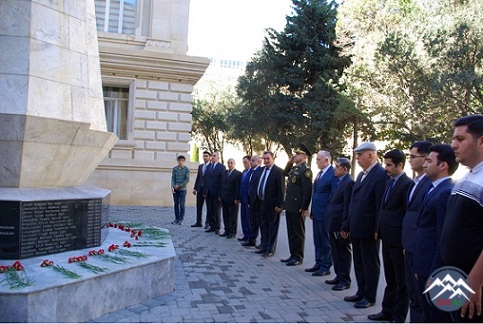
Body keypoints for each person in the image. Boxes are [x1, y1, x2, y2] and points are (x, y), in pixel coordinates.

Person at [441, 114, 483, 322]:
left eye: (460, 139)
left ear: (481, 141)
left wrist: (475, 283)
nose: (453, 145)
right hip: (456, 283)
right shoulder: (467, 176)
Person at [413, 144, 457, 322]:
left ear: (443, 165)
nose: (424, 165)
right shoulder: (433, 188)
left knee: (437, 316)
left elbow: (442, 237)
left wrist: (434, 273)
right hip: (423, 263)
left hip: (434, 268)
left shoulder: (445, 192)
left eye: (429, 161)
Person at [368, 149, 413, 322]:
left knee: (401, 282)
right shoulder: (389, 182)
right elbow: (383, 208)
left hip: (398, 240)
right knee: (390, 279)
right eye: (385, 164)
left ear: (400, 165)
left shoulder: (406, 184)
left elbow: (407, 214)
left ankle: (398, 316)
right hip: (386, 237)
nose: (385, 168)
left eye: (389, 165)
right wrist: (378, 229)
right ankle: (387, 310)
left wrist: (405, 241)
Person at [344, 142, 388, 309]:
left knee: (370, 264)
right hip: (357, 227)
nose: (358, 159)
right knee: (359, 262)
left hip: (369, 229)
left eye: (360, 155)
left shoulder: (380, 175)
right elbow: (354, 203)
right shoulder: (362, 175)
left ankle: (369, 296)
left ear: (370, 155)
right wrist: (348, 224)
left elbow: (379, 206)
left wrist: (377, 229)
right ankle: (361, 291)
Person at [401, 141, 432, 323]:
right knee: (413, 293)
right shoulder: (416, 182)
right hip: (409, 245)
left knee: (421, 297)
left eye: (413, 157)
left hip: (420, 247)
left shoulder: (430, 184)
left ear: (426, 158)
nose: (410, 160)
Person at [305, 150, 336, 276]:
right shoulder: (319, 174)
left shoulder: (332, 173)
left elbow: (333, 195)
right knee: (317, 239)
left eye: (319, 159)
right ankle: (318, 262)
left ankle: (326, 265)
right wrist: (312, 211)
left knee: (325, 241)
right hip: (317, 212)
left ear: (327, 160)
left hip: (325, 213)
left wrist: (329, 213)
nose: (317, 162)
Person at [281, 144, 313, 266]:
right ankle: (292, 254)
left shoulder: (306, 170)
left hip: (298, 206)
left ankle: (298, 257)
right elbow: (284, 173)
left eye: (298, 154)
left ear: (304, 156)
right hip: (290, 205)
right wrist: (290, 163)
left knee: (298, 232)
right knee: (291, 231)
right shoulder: (295, 168)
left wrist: (304, 207)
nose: (295, 155)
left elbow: (307, 190)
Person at [326, 157, 354, 291]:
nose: (334, 169)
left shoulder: (348, 182)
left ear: (345, 169)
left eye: (337, 167)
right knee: (335, 251)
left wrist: (345, 226)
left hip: (340, 224)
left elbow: (347, 206)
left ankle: (344, 279)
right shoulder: (339, 181)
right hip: (333, 222)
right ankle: (338, 275)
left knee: (343, 252)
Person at [253, 151, 285, 257]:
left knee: (272, 227)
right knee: (264, 225)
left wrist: (279, 205)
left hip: (273, 205)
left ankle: (270, 249)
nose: (266, 161)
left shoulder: (278, 171)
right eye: (264, 159)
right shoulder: (261, 170)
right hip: (261, 203)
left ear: (273, 159)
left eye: (268, 158)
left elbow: (281, 190)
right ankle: (264, 245)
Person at [242, 155, 263, 247]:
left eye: (253, 161)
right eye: (251, 161)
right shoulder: (252, 171)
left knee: (258, 222)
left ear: (259, 162)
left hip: (257, 201)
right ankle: (251, 239)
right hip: (250, 200)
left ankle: (258, 241)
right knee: (252, 221)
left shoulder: (260, 171)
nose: (251, 162)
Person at [204, 152, 226, 235]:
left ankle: (217, 227)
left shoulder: (221, 167)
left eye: (214, 156)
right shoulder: (209, 166)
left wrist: (221, 194)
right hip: (209, 192)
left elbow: (222, 182)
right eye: (212, 156)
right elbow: (206, 179)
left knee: (216, 211)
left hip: (217, 193)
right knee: (209, 210)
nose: (212, 157)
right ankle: (211, 226)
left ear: (218, 158)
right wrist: (205, 191)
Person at [220, 158, 242, 239]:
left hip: (233, 199)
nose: (230, 164)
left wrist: (237, 198)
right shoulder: (225, 173)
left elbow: (238, 187)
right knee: (225, 215)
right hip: (225, 198)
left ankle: (233, 232)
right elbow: (222, 185)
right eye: (228, 163)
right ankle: (227, 230)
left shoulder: (238, 174)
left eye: (231, 163)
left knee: (233, 217)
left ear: (234, 164)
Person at [192, 151, 211, 228]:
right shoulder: (200, 166)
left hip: (207, 190)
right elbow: (198, 178)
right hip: (200, 189)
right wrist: (195, 188)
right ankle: (198, 222)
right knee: (199, 206)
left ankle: (207, 222)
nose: (205, 157)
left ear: (209, 157)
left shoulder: (211, 166)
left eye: (206, 156)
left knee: (208, 207)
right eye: (204, 156)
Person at [171, 155, 190, 225]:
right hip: (175, 189)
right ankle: (177, 218)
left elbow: (187, 179)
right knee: (176, 204)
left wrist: (180, 185)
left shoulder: (186, 169)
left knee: (182, 205)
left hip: (182, 189)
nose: (180, 162)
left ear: (184, 161)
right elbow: (173, 178)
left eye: (182, 161)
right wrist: (173, 186)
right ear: (178, 161)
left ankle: (181, 219)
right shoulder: (175, 169)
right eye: (179, 160)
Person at [238, 155, 252, 242]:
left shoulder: (252, 172)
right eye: (243, 162)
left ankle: (250, 236)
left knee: (248, 218)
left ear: (250, 162)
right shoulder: (244, 172)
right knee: (243, 217)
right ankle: (245, 234)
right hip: (242, 199)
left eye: (245, 162)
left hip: (248, 199)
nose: (244, 164)